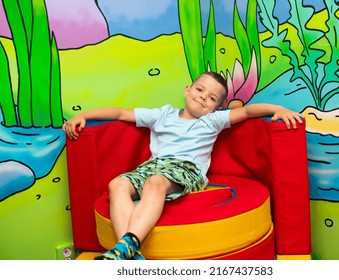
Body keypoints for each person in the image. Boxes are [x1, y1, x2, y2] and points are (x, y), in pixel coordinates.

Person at [62, 71, 303, 260]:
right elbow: (121, 113)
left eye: (211, 98)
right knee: (117, 184)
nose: (202, 97)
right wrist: (84, 116)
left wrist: (278, 109)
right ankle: (128, 253)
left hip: (186, 170)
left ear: (217, 107)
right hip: (153, 166)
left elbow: (249, 111)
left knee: (155, 183)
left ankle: (128, 243)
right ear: (187, 91)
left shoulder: (213, 120)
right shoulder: (163, 114)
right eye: (199, 90)